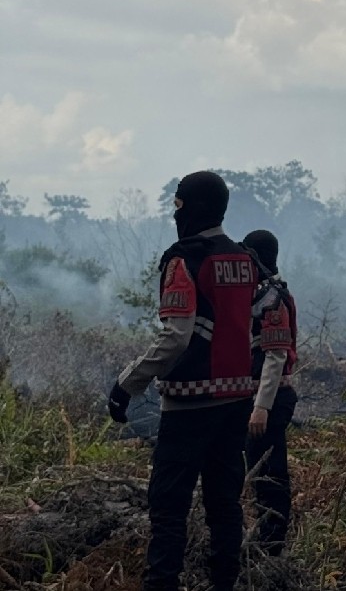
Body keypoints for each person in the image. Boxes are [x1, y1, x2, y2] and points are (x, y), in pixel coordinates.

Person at [108, 171, 259, 591]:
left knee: (169, 509)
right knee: (224, 506)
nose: (176, 214)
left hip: (189, 406)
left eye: (178, 205)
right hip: (237, 403)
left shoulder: (184, 259)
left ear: (193, 207)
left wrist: (126, 384)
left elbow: (175, 336)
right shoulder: (245, 259)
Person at [241, 229, 298, 557]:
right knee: (260, 473)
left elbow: (275, 355)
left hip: (271, 400)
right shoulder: (261, 293)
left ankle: (272, 545)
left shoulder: (271, 298)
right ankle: (264, 539)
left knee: (271, 473)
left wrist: (261, 406)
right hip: (259, 397)